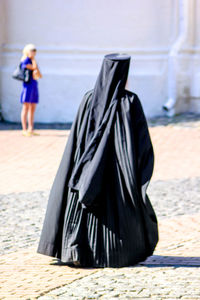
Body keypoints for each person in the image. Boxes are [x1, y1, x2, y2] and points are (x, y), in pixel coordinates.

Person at [38, 53, 158, 268]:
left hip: (85, 170)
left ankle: (78, 250)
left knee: (84, 204)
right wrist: (139, 170)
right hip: (119, 172)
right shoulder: (130, 102)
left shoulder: (88, 99)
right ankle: (115, 252)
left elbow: (77, 138)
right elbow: (141, 143)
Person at [20, 44, 42, 136]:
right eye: (31, 50)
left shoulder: (33, 61)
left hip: (34, 86)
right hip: (27, 87)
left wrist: (34, 61)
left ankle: (31, 128)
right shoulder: (25, 61)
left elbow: (40, 75)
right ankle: (24, 129)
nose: (33, 52)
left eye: (34, 51)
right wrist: (33, 60)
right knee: (26, 107)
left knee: (32, 107)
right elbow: (33, 68)